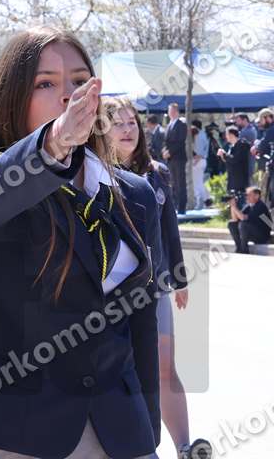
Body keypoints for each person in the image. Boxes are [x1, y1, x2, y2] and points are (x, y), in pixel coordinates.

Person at [0, 27, 161, 458]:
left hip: (120, 429)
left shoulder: (135, 194)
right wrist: (52, 145)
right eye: (45, 83)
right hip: (15, 432)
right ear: (13, 96)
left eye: (80, 80)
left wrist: (148, 431)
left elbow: (141, 323)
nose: (68, 94)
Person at [103, 96, 213, 459]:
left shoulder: (157, 173)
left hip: (154, 289)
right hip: (106, 296)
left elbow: (170, 231)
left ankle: (185, 447)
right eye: (117, 123)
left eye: (131, 123)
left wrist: (179, 281)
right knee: (119, 370)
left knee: (164, 367)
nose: (127, 130)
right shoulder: (91, 174)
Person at [228, 186, 272, 254]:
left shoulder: (260, 206)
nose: (246, 197)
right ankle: (239, 248)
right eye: (246, 195)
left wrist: (234, 206)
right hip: (253, 232)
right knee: (231, 224)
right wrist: (232, 206)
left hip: (263, 236)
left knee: (243, 224)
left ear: (257, 196)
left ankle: (244, 249)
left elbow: (243, 218)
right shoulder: (249, 206)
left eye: (248, 195)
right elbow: (235, 219)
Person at [163, 102, 188, 214]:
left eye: (173, 111)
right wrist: (164, 151)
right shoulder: (169, 125)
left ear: (177, 112)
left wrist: (170, 152)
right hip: (170, 159)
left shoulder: (181, 124)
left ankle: (182, 208)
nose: (171, 113)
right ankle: (175, 206)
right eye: (170, 111)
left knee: (180, 183)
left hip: (178, 158)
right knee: (172, 183)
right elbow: (166, 142)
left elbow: (180, 142)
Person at [218, 126, 251, 208]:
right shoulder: (232, 146)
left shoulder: (242, 144)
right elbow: (229, 161)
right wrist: (222, 155)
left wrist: (224, 154)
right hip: (233, 178)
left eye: (227, 134)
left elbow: (235, 159)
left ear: (231, 135)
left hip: (240, 179)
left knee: (241, 203)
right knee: (233, 202)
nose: (226, 137)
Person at [190, 120, 210, 210]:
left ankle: (201, 201)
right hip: (201, 160)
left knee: (197, 183)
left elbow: (199, 152)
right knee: (199, 182)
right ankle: (207, 200)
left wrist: (195, 161)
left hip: (198, 161)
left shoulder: (199, 135)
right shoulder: (203, 134)